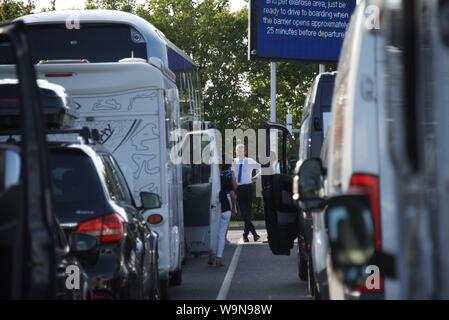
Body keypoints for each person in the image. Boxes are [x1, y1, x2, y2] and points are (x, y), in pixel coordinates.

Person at [232, 144, 261, 243]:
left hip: (248, 187)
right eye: (238, 150)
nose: (240, 152)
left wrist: (256, 177)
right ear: (236, 152)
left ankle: (245, 235)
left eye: (242, 150)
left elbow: (262, 168)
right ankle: (254, 234)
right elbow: (231, 176)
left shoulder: (250, 161)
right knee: (243, 213)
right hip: (238, 188)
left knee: (247, 213)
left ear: (245, 152)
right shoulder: (233, 162)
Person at [215, 158, 238, 267]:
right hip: (224, 206)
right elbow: (232, 193)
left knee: (213, 233)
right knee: (221, 234)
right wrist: (234, 207)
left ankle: (211, 254)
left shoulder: (212, 177)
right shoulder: (226, 177)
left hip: (212, 208)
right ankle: (219, 257)